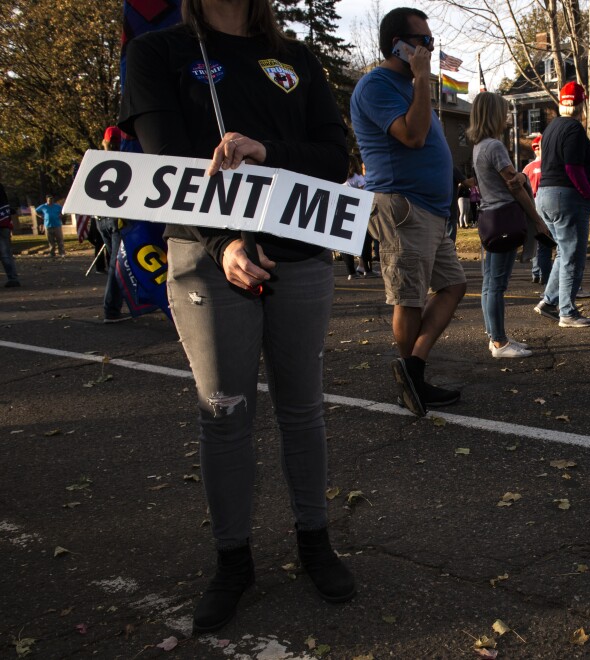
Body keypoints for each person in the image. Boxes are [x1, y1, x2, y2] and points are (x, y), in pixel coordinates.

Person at [118, 0, 356, 633]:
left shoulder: (296, 58)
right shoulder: (156, 52)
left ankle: (314, 541)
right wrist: (224, 241)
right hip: (205, 254)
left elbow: (335, 156)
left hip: (300, 253)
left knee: (301, 408)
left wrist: (268, 150)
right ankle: (233, 561)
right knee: (224, 413)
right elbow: (164, 163)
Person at [350, 7, 467, 416]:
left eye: (431, 41)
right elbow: (413, 137)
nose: (430, 48)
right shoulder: (376, 86)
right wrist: (420, 80)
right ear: (397, 44)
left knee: (453, 285)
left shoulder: (413, 86)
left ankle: (413, 367)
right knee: (410, 297)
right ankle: (412, 384)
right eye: (423, 41)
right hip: (403, 207)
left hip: (431, 211)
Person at [469, 92, 548, 358]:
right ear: (492, 114)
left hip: (489, 218)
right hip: (503, 216)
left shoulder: (479, 147)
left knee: (489, 283)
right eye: (503, 111)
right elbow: (514, 186)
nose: (507, 117)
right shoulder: (494, 146)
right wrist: (536, 219)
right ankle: (500, 343)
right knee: (496, 284)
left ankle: (496, 338)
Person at [532, 81, 590, 328]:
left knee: (563, 252)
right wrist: (587, 192)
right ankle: (567, 312)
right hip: (567, 197)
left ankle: (549, 301)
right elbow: (572, 167)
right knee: (573, 255)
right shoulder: (574, 129)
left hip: (545, 195)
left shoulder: (551, 128)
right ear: (582, 103)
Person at [95, 127, 130, 323]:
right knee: (118, 265)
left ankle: (118, 306)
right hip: (118, 218)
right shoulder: (125, 161)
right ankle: (112, 310)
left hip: (102, 219)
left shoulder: (97, 162)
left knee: (114, 264)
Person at [342, 159, 378, 280]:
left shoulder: (341, 179)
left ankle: (351, 272)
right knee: (365, 240)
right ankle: (367, 269)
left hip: (344, 211)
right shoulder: (358, 178)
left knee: (345, 242)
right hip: (358, 211)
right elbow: (365, 193)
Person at [523, 135, 550, 284]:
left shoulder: (527, 168)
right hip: (546, 204)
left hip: (531, 206)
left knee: (536, 242)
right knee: (545, 243)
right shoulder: (549, 165)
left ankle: (536, 272)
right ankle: (544, 275)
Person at [0, 172, 20, 287]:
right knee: (6, 254)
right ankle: (13, 277)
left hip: (2, 225)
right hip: (4, 224)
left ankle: (12, 278)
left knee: (5, 254)